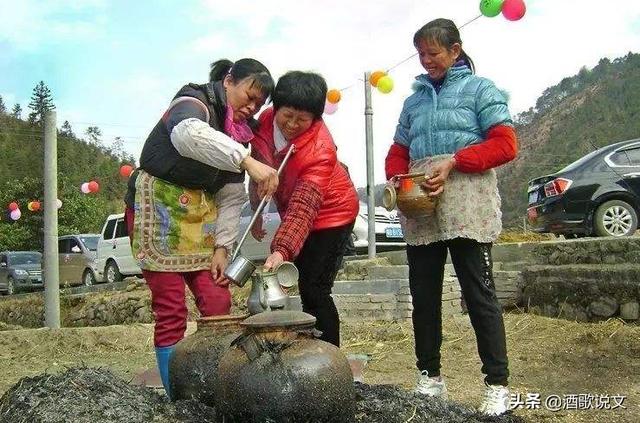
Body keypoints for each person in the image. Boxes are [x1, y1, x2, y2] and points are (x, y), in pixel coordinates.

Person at [384, 19, 518, 416]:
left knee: (479, 296)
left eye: (434, 53)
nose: (427, 61)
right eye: (421, 54)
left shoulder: (481, 90)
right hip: (422, 208)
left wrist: (455, 161)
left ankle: (496, 384)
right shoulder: (414, 102)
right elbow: (398, 150)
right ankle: (429, 377)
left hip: (467, 203)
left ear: (455, 50)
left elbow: (506, 145)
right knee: (424, 298)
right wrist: (397, 176)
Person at [124, 58, 278, 398]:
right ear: (228, 81)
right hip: (158, 210)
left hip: (199, 219)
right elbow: (187, 136)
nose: (251, 107)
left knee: (217, 298)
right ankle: (177, 395)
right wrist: (248, 161)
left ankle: (214, 386)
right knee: (171, 308)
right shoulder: (193, 102)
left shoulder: (238, 135)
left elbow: (231, 195)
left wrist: (223, 246)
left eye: (258, 104)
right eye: (248, 95)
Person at [249, 71, 359, 347]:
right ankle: (312, 350)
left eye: (303, 119)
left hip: (332, 214)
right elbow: (257, 165)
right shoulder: (263, 122)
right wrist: (257, 208)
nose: (293, 124)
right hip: (295, 211)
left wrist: (281, 249)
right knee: (305, 286)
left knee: (315, 289)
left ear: (317, 117)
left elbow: (303, 207)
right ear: (276, 106)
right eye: (288, 115)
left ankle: (330, 359)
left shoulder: (320, 148)